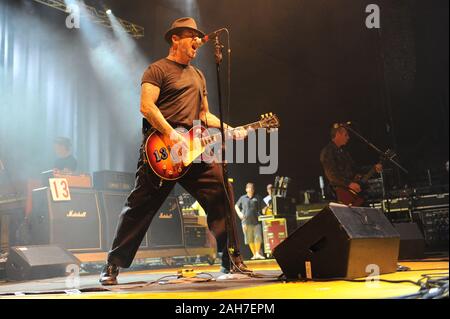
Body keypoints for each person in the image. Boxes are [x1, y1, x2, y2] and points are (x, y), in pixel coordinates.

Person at [99, 17, 249, 285]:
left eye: (197, 37)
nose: (196, 42)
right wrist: (171, 134)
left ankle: (230, 261)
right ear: (175, 39)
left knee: (220, 194)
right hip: (162, 151)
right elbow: (146, 106)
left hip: (194, 151)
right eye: (191, 36)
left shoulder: (199, 75)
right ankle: (113, 265)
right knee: (139, 206)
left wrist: (230, 128)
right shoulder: (157, 70)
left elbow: (205, 115)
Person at [320, 124, 382, 205]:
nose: (348, 137)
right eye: (346, 135)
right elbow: (332, 176)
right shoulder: (328, 152)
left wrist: (373, 167)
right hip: (341, 194)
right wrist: (349, 184)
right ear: (338, 134)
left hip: (352, 193)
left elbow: (355, 169)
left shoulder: (344, 152)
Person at [235, 183, 265, 260]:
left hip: (256, 221)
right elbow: (236, 206)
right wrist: (239, 214)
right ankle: (254, 254)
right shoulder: (242, 198)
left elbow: (264, 207)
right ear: (246, 189)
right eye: (249, 188)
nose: (250, 189)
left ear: (254, 189)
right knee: (249, 239)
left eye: (252, 188)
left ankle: (258, 253)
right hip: (245, 222)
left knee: (258, 237)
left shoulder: (257, 197)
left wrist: (266, 210)